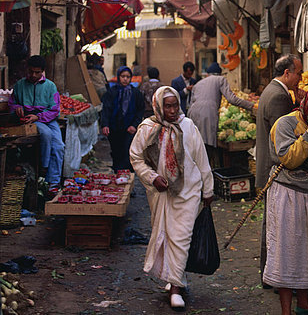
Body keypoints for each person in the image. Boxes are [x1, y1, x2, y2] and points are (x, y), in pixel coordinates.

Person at [129, 86, 214, 310]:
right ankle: (176, 277)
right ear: (158, 106)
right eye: (168, 106)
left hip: (189, 191)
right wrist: (152, 177)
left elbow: (201, 159)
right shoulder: (148, 129)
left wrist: (208, 189)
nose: (173, 110)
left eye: (175, 105)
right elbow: (136, 157)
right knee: (166, 235)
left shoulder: (188, 126)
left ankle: (175, 289)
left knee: (182, 237)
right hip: (159, 193)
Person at [263, 84, 308, 315]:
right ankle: (286, 310)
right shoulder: (285, 124)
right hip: (288, 195)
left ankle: (303, 303)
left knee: (306, 251)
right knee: (287, 251)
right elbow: (289, 160)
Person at [255, 54, 303, 288]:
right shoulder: (278, 96)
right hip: (273, 170)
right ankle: (273, 277)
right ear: (287, 73)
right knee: (275, 226)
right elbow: (283, 137)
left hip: (267, 167)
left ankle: (270, 276)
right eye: (298, 73)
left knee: (271, 224)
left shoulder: (272, 90)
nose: (300, 78)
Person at [9, 55, 65, 188]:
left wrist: (39, 117)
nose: (33, 75)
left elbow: (54, 110)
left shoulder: (50, 86)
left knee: (59, 146)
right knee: (46, 134)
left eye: (37, 72)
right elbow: (12, 103)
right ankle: (44, 168)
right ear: (27, 70)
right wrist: (17, 108)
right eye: (31, 72)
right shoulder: (20, 85)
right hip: (29, 119)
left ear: (43, 71)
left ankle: (53, 182)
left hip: (48, 119)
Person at [187, 62, 256, 166]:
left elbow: (190, 103)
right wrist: (250, 106)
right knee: (207, 147)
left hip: (193, 113)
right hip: (207, 113)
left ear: (207, 74)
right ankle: (208, 174)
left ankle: (199, 173)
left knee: (197, 145)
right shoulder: (220, 79)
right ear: (219, 74)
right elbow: (231, 99)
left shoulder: (198, 84)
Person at [101, 66, 145, 171]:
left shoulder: (135, 93)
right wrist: (105, 124)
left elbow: (140, 110)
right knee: (116, 151)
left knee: (127, 151)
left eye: (128, 77)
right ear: (118, 77)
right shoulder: (112, 92)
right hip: (114, 127)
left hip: (129, 128)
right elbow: (106, 109)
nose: (125, 79)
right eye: (123, 76)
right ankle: (117, 175)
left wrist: (134, 125)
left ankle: (127, 176)